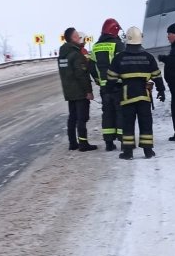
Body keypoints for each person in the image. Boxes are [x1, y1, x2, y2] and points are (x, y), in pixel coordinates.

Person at [106, 26, 164, 160]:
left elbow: (111, 77)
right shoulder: (148, 57)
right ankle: (148, 151)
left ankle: (128, 152)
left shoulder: (119, 58)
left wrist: (109, 91)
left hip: (127, 97)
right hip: (144, 95)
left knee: (128, 124)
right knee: (146, 122)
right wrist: (161, 90)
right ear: (140, 39)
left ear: (127, 40)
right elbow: (157, 75)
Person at [57, 27, 97, 151]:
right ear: (73, 38)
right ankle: (83, 144)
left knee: (72, 117)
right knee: (82, 118)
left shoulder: (63, 54)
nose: (79, 38)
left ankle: (72, 143)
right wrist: (88, 91)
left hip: (69, 91)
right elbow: (81, 75)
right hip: (80, 92)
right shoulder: (76, 54)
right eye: (77, 36)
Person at [89, 18, 124, 151]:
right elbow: (123, 63)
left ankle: (109, 143)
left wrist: (98, 80)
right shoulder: (118, 45)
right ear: (114, 31)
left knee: (107, 113)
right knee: (121, 112)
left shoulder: (96, 46)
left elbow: (91, 66)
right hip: (118, 85)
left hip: (104, 87)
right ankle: (123, 141)